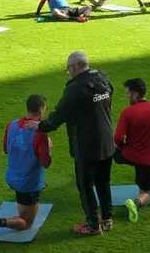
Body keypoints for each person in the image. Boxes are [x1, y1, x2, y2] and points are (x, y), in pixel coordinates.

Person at [35, 51, 115, 235]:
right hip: (106, 140)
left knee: (85, 185)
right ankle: (107, 218)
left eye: (68, 69)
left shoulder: (76, 88)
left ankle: (93, 225)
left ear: (73, 68)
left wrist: (42, 126)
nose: (69, 72)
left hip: (86, 146)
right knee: (103, 181)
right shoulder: (102, 78)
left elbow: (60, 115)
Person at [0, 95, 52, 245]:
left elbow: (6, 149)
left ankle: (35, 194)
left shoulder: (11, 125)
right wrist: (48, 148)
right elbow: (46, 163)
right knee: (26, 223)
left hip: (12, 177)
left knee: (27, 203)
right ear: (41, 110)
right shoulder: (40, 133)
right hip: (28, 184)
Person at [113, 78, 150, 223]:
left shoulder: (127, 112)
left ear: (135, 95)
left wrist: (122, 145)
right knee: (146, 192)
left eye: (128, 93)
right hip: (148, 159)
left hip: (126, 155)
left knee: (109, 141)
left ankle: (99, 179)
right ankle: (136, 203)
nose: (126, 96)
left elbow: (117, 139)